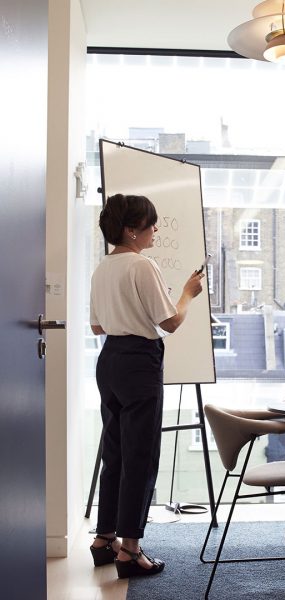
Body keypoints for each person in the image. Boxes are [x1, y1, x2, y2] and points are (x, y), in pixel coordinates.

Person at [88, 194, 204, 578]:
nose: (155, 229)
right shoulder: (142, 265)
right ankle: (131, 550)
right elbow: (169, 322)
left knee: (116, 452)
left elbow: (97, 326)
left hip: (110, 360)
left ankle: (105, 538)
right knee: (140, 455)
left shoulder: (102, 268)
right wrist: (187, 293)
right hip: (139, 362)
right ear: (131, 230)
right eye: (151, 224)